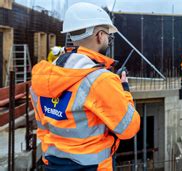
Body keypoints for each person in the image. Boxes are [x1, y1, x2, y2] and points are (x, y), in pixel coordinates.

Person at [30, 2, 140, 170]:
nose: (108, 41)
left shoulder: (43, 76)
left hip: (52, 164)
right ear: (99, 36)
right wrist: (125, 91)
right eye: (108, 36)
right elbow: (129, 128)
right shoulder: (100, 80)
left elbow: (43, 126)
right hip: (92, 166)